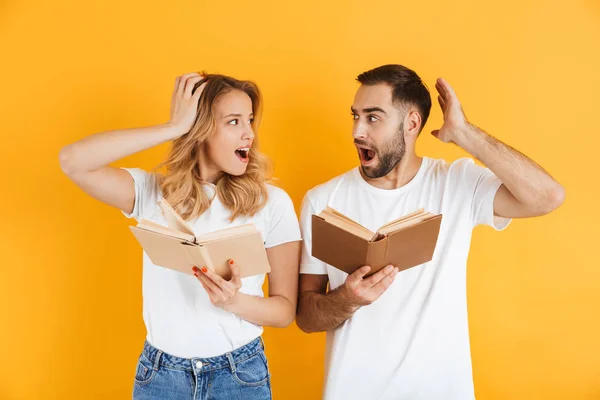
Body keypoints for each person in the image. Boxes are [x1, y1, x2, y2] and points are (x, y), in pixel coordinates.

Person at [296, 64, 565, 400]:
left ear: (411, 123)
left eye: (373, 117)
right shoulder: (323, 200)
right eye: (355, 116)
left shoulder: (457, 184)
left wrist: (466, 134)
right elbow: (306, 317)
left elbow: (548, 196)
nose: (357, 130)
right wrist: (346, 300)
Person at [59, 72, 301, 400]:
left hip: (238, 374)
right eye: (233, 122)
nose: (248, 134)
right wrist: (172, 127)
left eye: (250, 120)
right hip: (161, 376)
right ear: (199, 130)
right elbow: (73, 161)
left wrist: (233, 301)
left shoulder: (272, 203)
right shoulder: (152, 193)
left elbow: (285, 310)